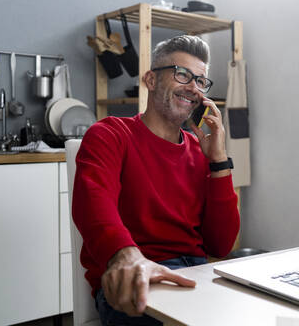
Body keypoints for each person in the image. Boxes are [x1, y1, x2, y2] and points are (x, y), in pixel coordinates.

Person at [72, 35, 240, 325]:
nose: (194, 88)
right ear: (151, 80)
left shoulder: (203, 152)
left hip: (194, 276)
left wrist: (219, 161)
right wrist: (125, 256)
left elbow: (220, 245)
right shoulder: (110, 134)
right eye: (183, 74)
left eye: (201, 81)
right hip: (137, 276)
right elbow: (93, 202)